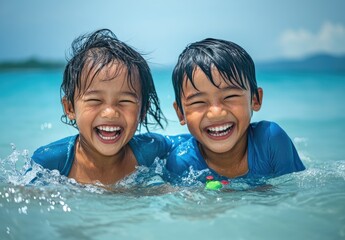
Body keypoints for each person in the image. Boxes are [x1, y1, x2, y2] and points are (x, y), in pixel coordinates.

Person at [31, 29, 187, 185]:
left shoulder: (150, 149)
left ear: (143, 110)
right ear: (70, 108)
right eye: (95, 100)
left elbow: (191, 143)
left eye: (125, 101)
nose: (110, 113)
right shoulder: (51, 162)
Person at [166, 38, 305, 182]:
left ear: (255, 99)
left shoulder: (270, 141)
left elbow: (293, 197)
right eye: (199, 102)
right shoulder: (182, 163)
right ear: (180, 113)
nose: (216, 112)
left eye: (230, 96)